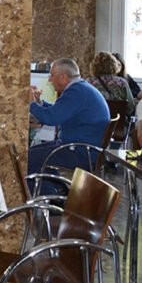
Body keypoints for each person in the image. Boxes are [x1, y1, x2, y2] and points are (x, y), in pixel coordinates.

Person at [29, 58, 110, 194]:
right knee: (33, 153)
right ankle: (55, 192)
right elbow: (58, 111)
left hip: (80, 151)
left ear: (63, 77)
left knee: (28, 159)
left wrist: (31, 104)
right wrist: (39, 103)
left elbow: (51, 118)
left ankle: (50, 201)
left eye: (52, 75)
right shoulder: (81, 88)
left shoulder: (76, 92)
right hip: (85, 148)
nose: (49, 80)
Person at [85, 51, 135, 117]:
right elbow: (130, 107)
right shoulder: (122, 82)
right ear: (114, 65)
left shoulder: (89, 83)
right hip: (117, 124)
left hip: (95, 123)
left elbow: (84, 105)